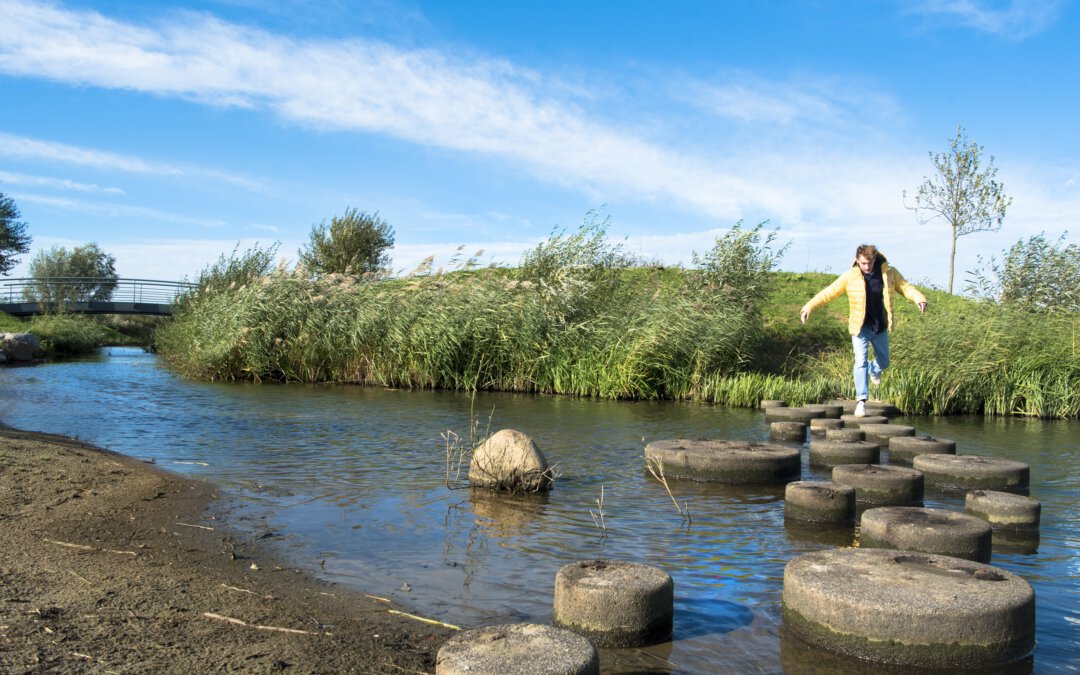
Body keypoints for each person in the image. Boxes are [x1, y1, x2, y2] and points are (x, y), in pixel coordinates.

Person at [800, 244, 927, 417]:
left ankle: (874, 370)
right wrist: (809, 307)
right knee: (860, 362)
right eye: (863, 263)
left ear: (875, 259)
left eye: (870, 263)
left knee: (884, 362)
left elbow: (905, 287)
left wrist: (919, 298)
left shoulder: (889, 273)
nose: (867, 267)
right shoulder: (850, 276)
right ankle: (861, 401)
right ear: (857, 261)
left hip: (880, 326)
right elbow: (829, 293)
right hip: (860, 328)